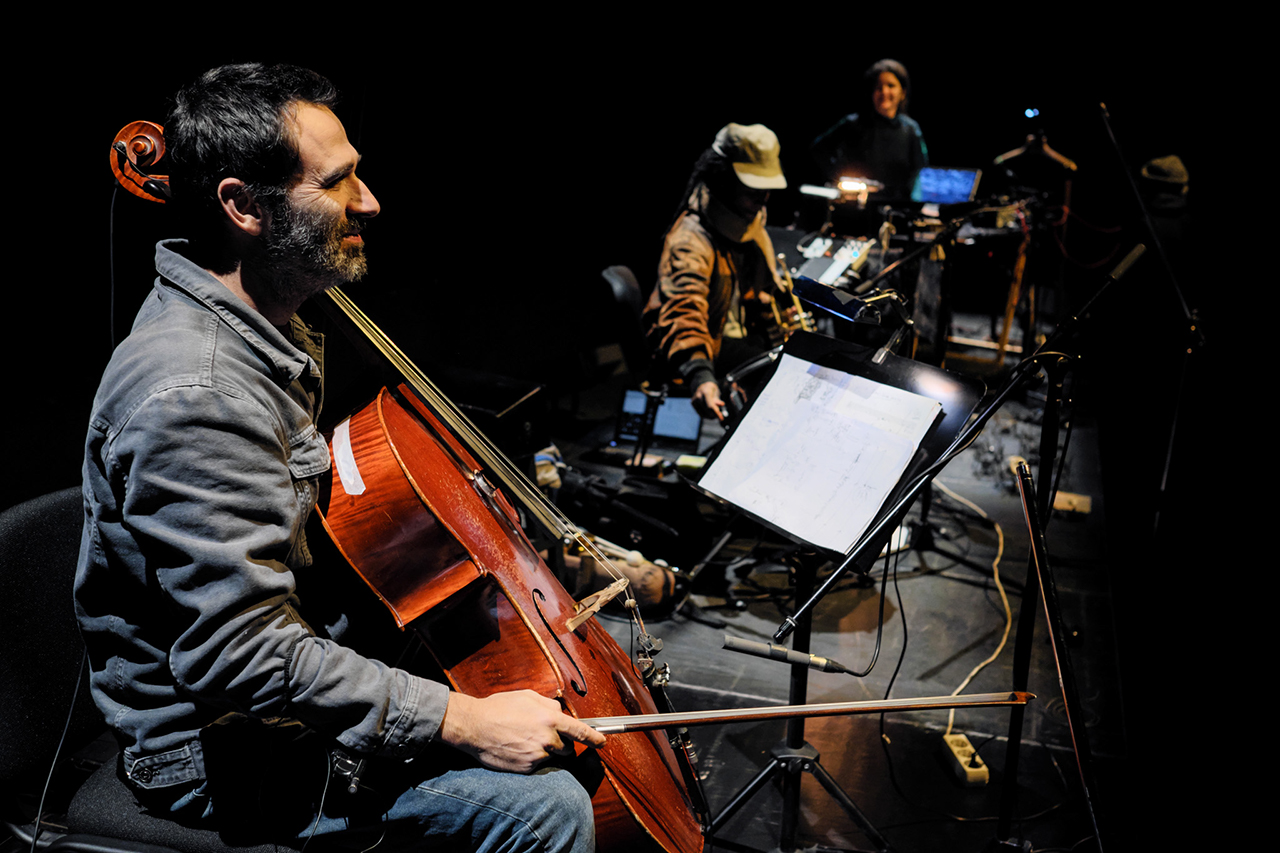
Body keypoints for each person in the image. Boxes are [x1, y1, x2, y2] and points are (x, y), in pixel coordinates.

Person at [74, 63, 602, 852]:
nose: (370, 201)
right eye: (336, 182)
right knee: (546, 806)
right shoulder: (198, 393)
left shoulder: (270, 325)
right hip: (215, 748)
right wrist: (463, 719)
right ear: (243, 206)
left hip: (274, 696)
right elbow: (240, 654)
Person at [642, 123, 789, 420]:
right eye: (752, 189)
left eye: (766, 190)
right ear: (723, 180)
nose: (762, 199)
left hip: (737, 336)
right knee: (783, 378)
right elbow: (684, 311)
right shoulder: (690, 240)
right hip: (708, 345)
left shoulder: (749, 224)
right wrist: (700, 375)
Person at [811, 59, 928, 199]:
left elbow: (921, 172)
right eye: (878, 87)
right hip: (857, 203)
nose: (884, 92)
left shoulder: (910, 130)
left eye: (891, 86)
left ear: (903, 92)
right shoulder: (854, 123)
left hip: (897, 205)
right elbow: (819, 150)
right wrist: (838, 177)